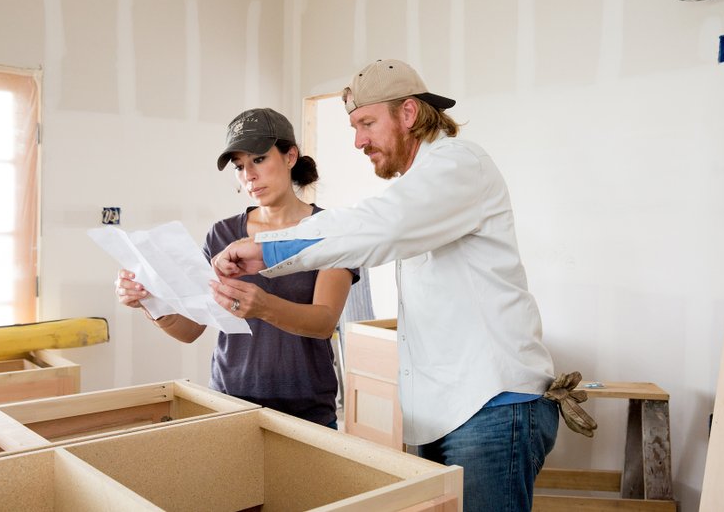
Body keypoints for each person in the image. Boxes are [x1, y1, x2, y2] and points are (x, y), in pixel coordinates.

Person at [212, 60, 559, 511]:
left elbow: (377, 227)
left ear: (409, 114)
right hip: (451, 413)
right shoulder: (419, 187)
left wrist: (266, 250)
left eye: (366, 124)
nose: (358, 141)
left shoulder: (459, 165)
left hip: (490, 405)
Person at [115, 107, 357, 429]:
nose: (249, 176)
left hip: (307, 407)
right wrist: (150, 303)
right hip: (231, 402)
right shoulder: (223, 234)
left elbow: (323, 322)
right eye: (239, 166)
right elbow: (191, 329)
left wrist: (264, 306)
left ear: (290, 156)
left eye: (258, 159)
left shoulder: (328, 229)